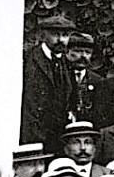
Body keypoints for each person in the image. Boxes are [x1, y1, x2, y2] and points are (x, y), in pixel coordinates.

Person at [20, 16, 76, 153]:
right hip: (34, 136)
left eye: (65, 35)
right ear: (43, 35)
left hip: (58, 138)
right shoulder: (29, 59)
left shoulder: (66, 63)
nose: (61, 39)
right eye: (55, 34)